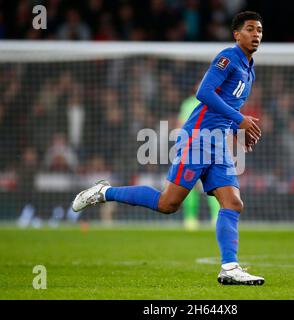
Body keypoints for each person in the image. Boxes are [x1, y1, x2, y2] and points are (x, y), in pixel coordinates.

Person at [72, 11, 264, 285]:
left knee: (233, 203)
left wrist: (238, 129)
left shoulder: (250, 68)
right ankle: (103, 192)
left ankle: (230, 268)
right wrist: (240, 120)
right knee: (168, 203)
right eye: (250, 29)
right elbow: (204, 93)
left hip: (218, 142)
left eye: (259, 30)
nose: (256, 34)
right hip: (198, 139)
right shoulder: (227, 58)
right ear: (237, 34)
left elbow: (227, 108)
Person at [177, 84, 220, 230]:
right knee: (211, 183)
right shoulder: (213, 102)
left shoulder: (192, 103)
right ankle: (196, 219)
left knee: (193, 183)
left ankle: (194, 219)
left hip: (199, 148)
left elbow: (180, 126)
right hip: (202, 148)